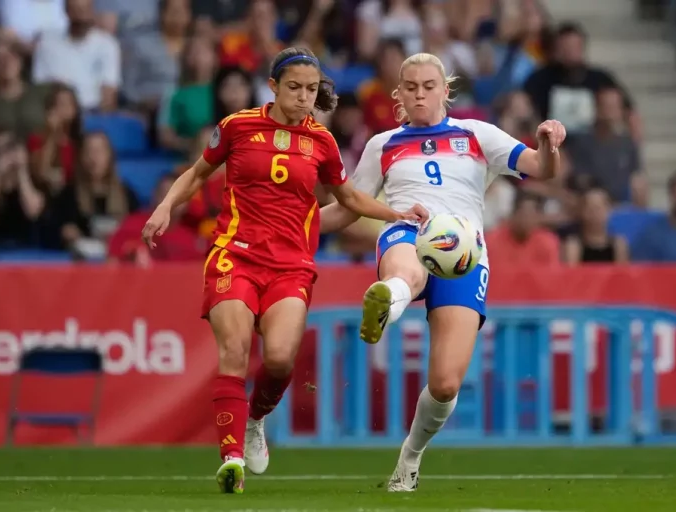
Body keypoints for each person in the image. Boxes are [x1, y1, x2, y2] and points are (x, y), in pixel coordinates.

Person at [140, 47, 427, 494]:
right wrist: (165, 207)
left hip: (291, 263)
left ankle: (255, 420)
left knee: (278, 359)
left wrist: (397, 214)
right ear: (273, 87)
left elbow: (348, 199)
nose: (303, 97)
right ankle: (231, 459)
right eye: (294, 87)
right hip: (235, 254)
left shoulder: (322, 142)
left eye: (311, 89)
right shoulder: (237, 126)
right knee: (235, 351)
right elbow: (196, 174)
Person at [319, 52, 566, 492]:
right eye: (411, 87)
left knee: (446, 383)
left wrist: (549, 143)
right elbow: (348, 208)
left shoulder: (477, 134)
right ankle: (389, 299)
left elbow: (542, 169)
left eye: (428, 86)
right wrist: (290, 223)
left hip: (465, 256)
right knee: (407, 269)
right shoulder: (383, 144)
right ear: (398, 93)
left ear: (445, 91)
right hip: (407, 232)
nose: (419, 94)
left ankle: (410, 457)